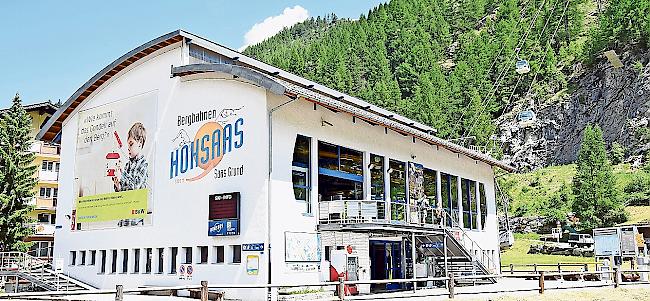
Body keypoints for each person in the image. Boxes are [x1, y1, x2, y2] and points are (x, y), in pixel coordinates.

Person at [113, 122, 148, 191]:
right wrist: (118, 186)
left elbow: (135, 188)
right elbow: (124, 191)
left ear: (140, 142)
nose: (128, 148)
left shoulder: (144, 165)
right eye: (128, 145)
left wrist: (123, 174)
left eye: (131, 144)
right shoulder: (127, 165)